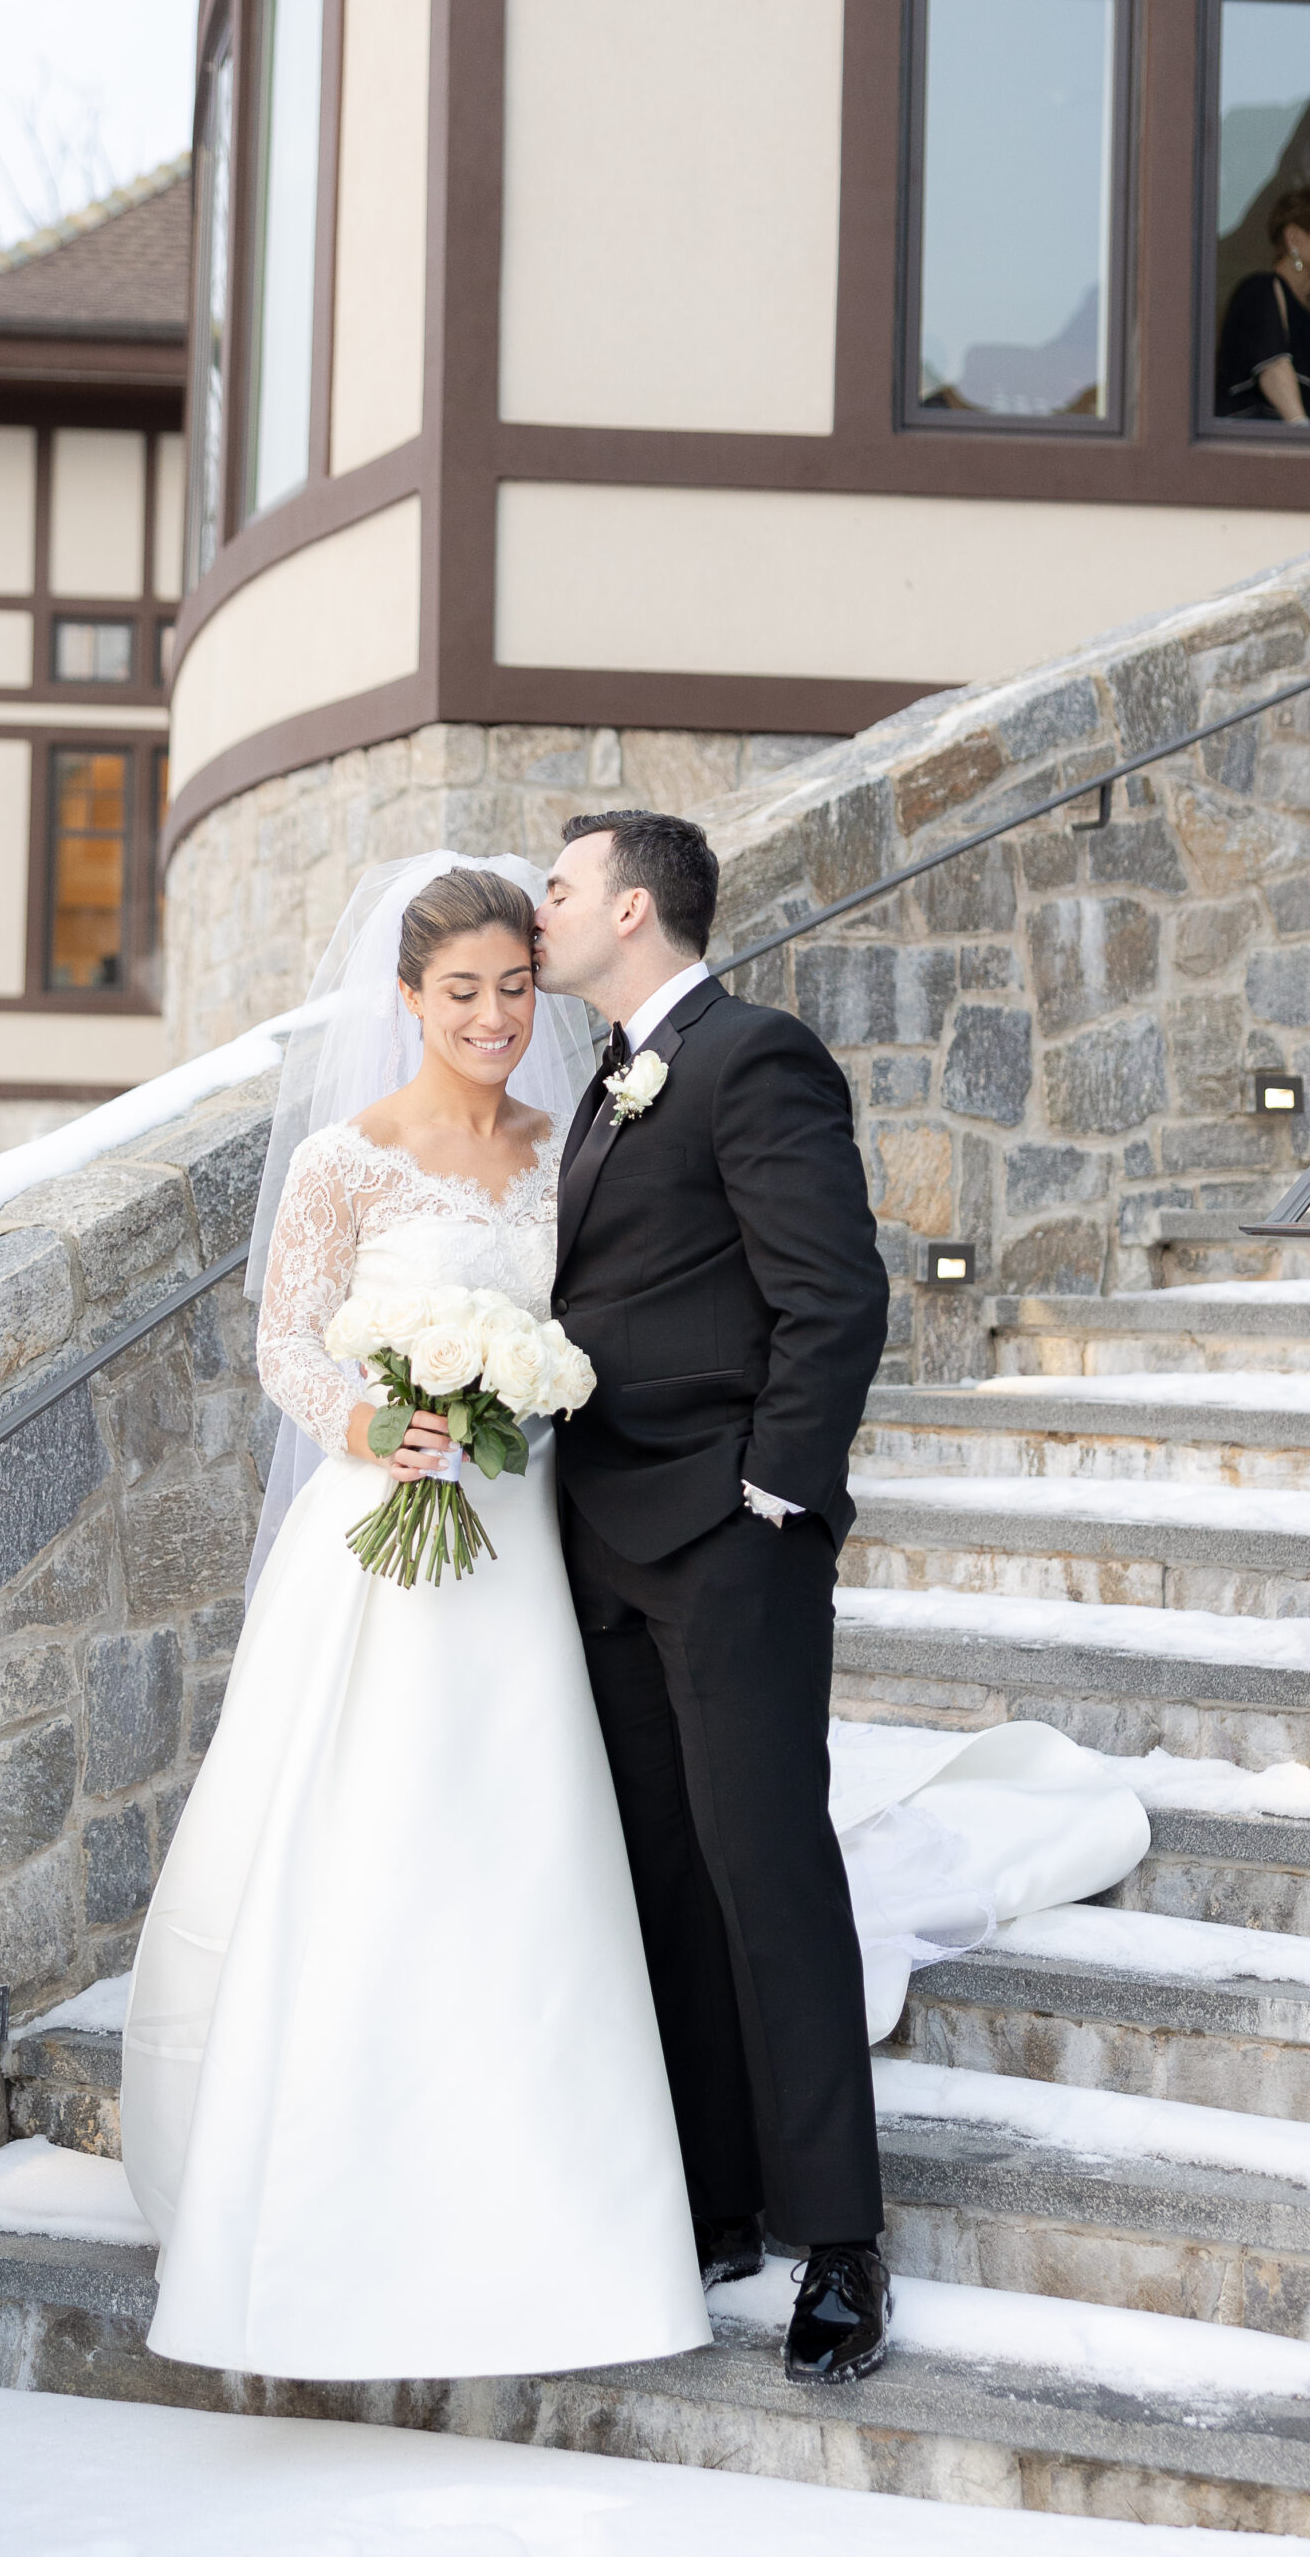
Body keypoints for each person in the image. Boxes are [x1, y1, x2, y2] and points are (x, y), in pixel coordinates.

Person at [119, 854, 712, 2381]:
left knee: (526, 1837)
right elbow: (283, 1345)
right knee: (374, 1832)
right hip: (382, 1548)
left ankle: (558, 2196)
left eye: (515, 988)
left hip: (528, 1542)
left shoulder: (569, 1148)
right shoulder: (347, 1159)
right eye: (461, 992)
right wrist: (371, 1427)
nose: (493, 1016)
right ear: (405, 997)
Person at [532, 810, 897, 2381]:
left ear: (632, 908)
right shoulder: (604, 1081)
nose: (538, 910)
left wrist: (773, 1490)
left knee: (766, 1873)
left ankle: (840, 2240)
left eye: (558, 888)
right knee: (664, 1885)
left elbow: (833, 1291)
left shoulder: (751, 1056)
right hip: (599, 1534)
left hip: (727, 1539)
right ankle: (717, 2199)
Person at [1217, 185, 1310, 424]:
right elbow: (1273, 368)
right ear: (1294, 238)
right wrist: (1302, 432)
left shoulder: (1302, 314)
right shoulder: (1260, 290)